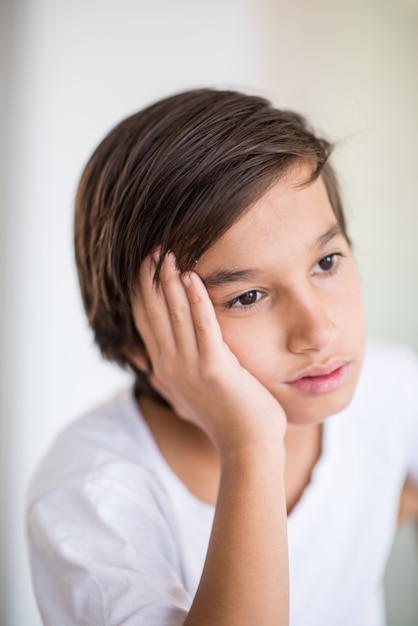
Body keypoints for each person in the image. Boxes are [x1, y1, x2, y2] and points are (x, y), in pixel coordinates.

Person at [26, 88, 418, 626]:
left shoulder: (394, 389)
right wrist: (250, 447)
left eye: (326, 261)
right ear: (138, 344)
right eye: (247, 297)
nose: (319, 329)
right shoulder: (92, 493)